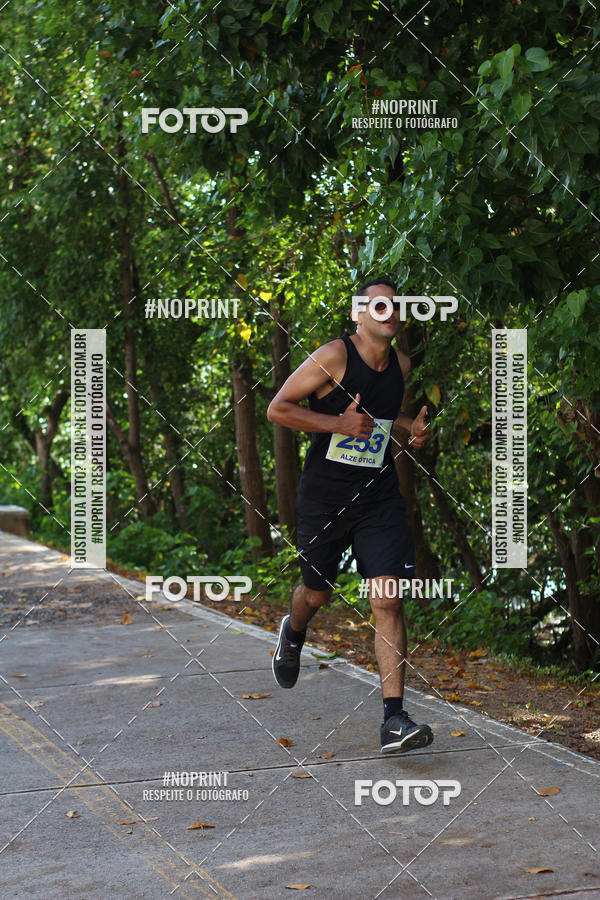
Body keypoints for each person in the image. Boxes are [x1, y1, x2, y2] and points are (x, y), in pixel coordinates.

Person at [266, 278, 434, 753]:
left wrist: (409, 432)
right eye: (377, 304)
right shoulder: (334, 356)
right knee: (315, 594)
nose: (388, 310)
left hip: (377, 498)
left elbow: (377, 425)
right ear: (359, 314)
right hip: (323, 499)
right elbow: (278, 409)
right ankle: (293, 630)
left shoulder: (400, 364)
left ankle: (394, 719)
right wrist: (336, 423)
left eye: (394, 305)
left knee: (387, 598)